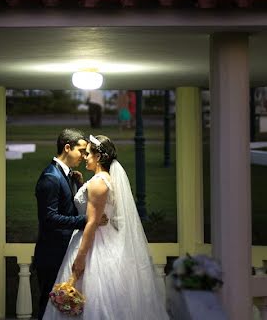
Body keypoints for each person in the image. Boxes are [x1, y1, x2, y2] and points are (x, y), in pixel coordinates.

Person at [43, 135, 167, 320]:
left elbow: (92, 222)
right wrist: (80, 183)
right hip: (104, 239)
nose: (84, 157)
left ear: (98, 157)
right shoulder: (104, 180)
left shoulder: (99, 183)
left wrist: (81, 258)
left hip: (93, 245)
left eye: (88, 154)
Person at [33, 129, 108, 319]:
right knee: (48, 307)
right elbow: (49, 219)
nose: (84, 156)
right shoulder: (51, 177)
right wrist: (87, 221)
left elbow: (68, 207)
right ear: (67, 147)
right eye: (81, 151)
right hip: (52, 253)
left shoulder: (68, 175)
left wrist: (77, 185)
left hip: (65, 252)